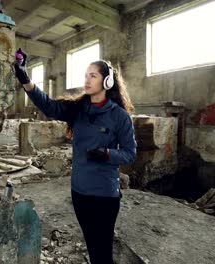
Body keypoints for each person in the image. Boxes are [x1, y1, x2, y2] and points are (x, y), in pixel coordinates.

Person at [13, 49, 137, 264]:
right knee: (91, 244)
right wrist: (25, 78)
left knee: (102, 250)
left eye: (93, 75)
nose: (87, 80)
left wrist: (106, 154)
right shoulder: (79, 109)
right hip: (79, 192)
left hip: (104, 195)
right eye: (86, 75)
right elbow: (49, 105)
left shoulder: (120, 117)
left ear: (107, 82)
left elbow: (130, 153)